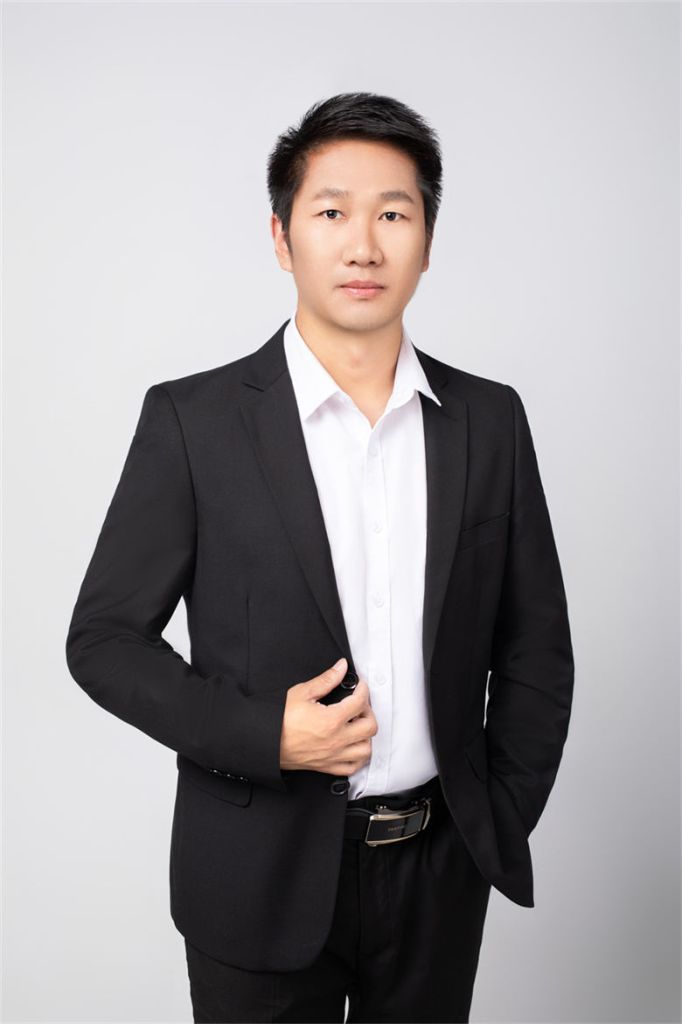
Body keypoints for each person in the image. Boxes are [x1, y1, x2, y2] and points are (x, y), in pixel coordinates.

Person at [65, 91, 574, 1023]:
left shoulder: (490, 421)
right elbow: (102, 640)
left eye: (394, 215)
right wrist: (264, 734)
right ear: (282, 236)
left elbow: (536, 644)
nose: (363, 245)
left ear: (428, 239)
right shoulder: (194, 422)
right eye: (332, 212)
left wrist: (493, 814)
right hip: (253, 872)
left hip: (437, 874)